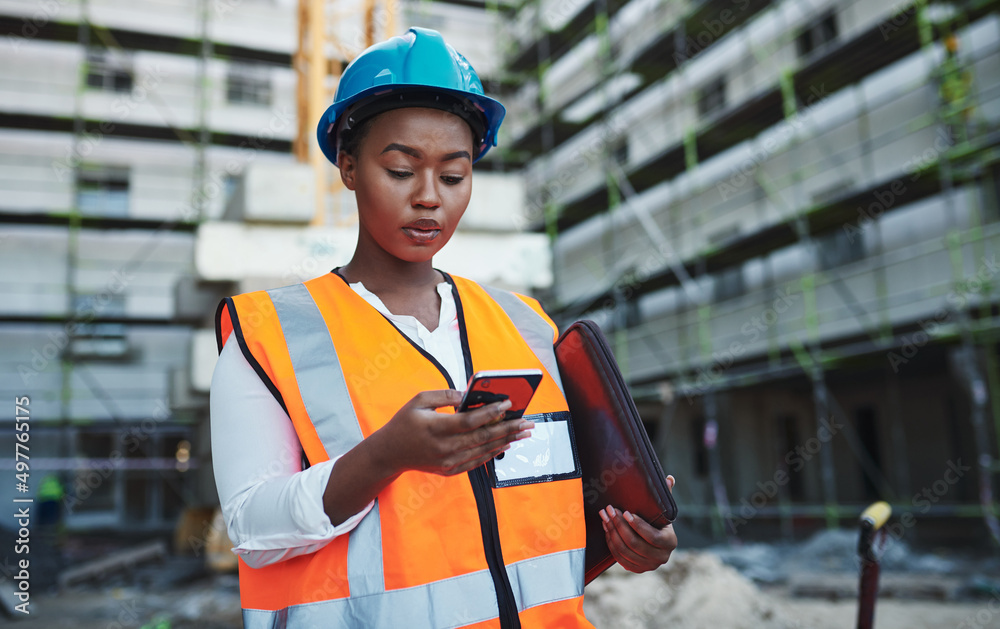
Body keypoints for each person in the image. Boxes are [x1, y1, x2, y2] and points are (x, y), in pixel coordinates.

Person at [210, 27, 677, 629]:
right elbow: (251, 530)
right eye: (401, 170)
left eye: (454, 177)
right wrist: (384, 457)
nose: (430, 198)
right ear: (349, 168)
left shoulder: (527, 326)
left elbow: (534, 521)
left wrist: (629, 537)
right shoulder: (267, 334)